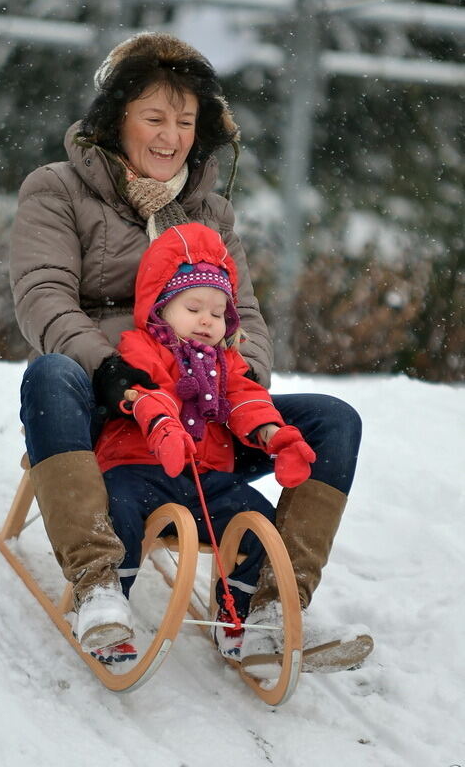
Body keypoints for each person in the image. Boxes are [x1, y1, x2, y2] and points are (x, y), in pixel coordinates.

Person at [10, 32, 364, 669]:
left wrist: (236, 376)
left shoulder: (212, 213)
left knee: (334, 419)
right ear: (117, 119)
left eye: (184, 121)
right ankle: (96, 583)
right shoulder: (58, 189)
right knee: (49, 372)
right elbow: (44, 296)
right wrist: (111, 369)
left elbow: (245, 316)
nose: (170, 135)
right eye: (153, 117)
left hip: (204, 408)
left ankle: (267, 605)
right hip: (105, 397)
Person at [94, 220, 316, 664]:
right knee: (120, 511)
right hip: (138, 467)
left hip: (203, 478)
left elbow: (246, 401)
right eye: (193, 307)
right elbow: (144, 393)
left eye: (218, 314)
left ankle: (239, 614)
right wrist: (162, 427)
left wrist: (276, 436)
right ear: (161, 308)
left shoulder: (226, 363)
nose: (206, 321)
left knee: (259, 519)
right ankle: (110, 607)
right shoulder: (142, 347)